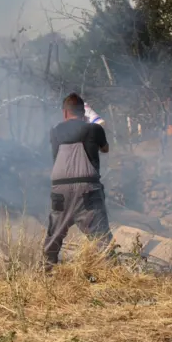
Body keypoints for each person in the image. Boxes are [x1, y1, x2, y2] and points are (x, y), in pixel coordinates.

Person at [44, 93, 113, 271]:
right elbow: (105, 149)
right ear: (83, 112)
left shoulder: (54, 131)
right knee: (100, 236)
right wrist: (96, 124)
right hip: (87, 189)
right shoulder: (94, 129)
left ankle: (47, 267)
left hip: (60, 190)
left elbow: (55, 158)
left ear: (64, 113)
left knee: (55, 233)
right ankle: (110, 270)